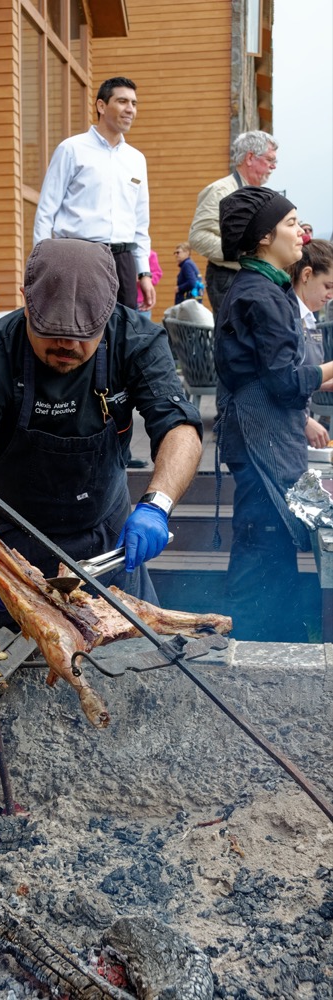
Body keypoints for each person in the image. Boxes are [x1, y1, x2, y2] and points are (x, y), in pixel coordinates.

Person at [0, 239, 203, 631]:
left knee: (128, 668)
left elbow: (179, 428)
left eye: (84, 334)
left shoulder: (136, 340)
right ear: (27, 301)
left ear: (109, 309)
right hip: (7, 541)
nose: (67, 345)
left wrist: (157, 505)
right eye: (51, 331)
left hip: (106, 538)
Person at [214, 188, 333, 642]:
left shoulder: (264, 289)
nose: (301, 233)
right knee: (261, 557)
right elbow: (284, 382)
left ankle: (264, 645)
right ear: (264, 237)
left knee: (269, 555)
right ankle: (249, 655)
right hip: (259, 445)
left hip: (264, 442)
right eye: (291, 224)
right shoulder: (259, 296)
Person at [33, 77, 155, 312]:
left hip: (124, 260)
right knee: (80, 333)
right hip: (79, 256)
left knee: (123, 336)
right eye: (122, 101)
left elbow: (141, 222)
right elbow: (46, 211)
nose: (130, 109)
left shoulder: (136, 160)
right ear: (101, 106)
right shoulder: (71, 150)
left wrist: (144, 272)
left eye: (134, 103)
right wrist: (42, 263)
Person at [189, 131, 278, 315]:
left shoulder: (259, 194)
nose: (273, 166)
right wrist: (243, 253)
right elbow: (198, 237)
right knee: (235, 340)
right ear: (250, 158)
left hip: (251, 277)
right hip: (229, 278)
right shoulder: (220, 190)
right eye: (270, 160)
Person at [287, 239, 333, 446]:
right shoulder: (285, 316)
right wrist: (304, 421)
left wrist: (325, 384)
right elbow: (277, 381)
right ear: (306, 275)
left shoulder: (308, 318)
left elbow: (301, 375)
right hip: (281, 430)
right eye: (327, 286)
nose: (331, 296)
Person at [137, 249, 163, 317]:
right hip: (124, 299)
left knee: (143, 325)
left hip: (142, 301)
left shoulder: (150, 254)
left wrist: (143, 278)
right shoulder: (125, 253)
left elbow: (157, 274)